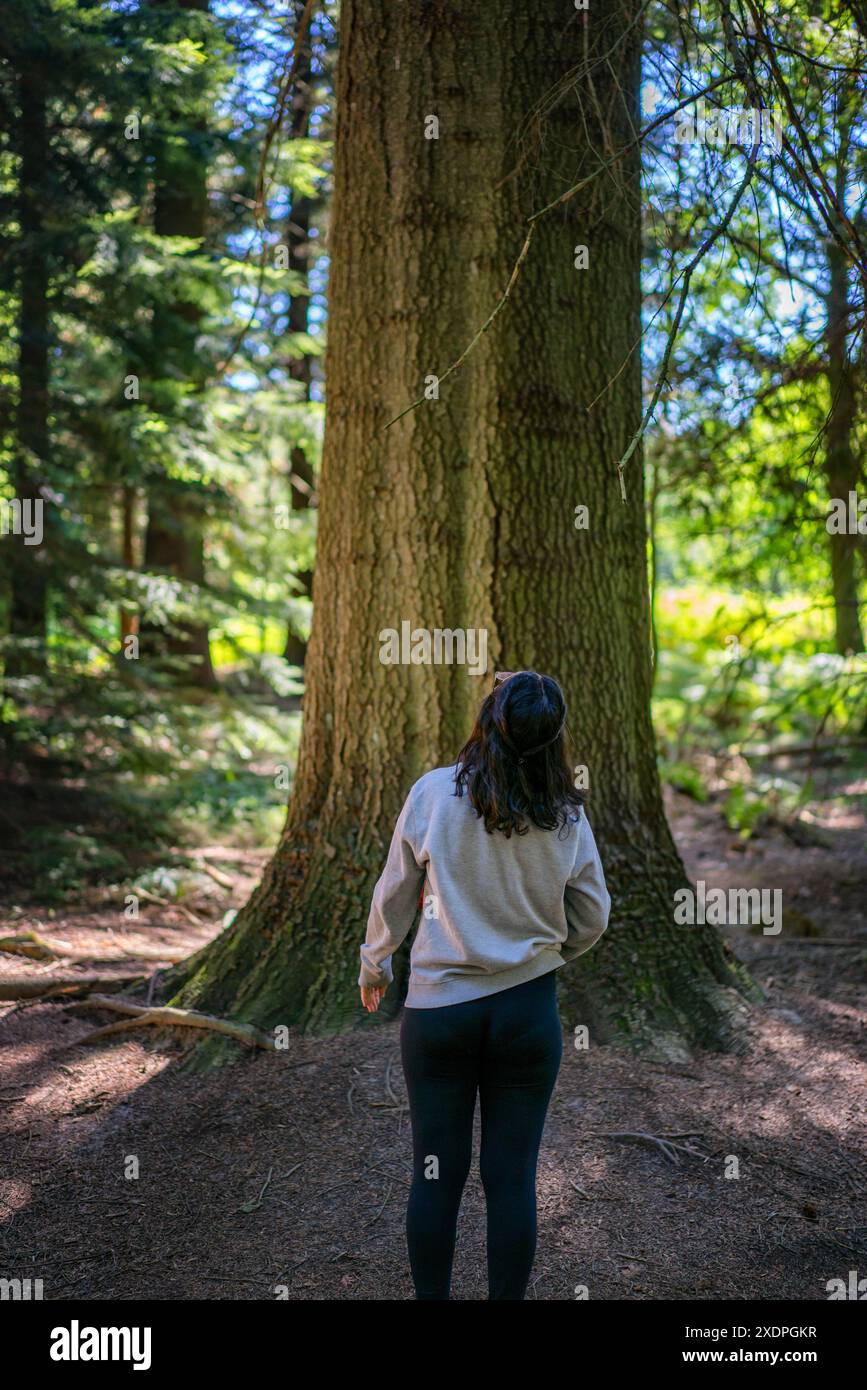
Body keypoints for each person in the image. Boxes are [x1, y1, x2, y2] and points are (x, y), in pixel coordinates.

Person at [358, 669, 610, 1300]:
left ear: (487, 722)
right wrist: (544, 954)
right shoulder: (565, 814)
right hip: (527, 1015)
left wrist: (376, 964)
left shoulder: (434, 794)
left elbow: (394, 894)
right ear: (555, 739)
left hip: (439, 1014)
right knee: (513, 1177)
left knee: (434, 1173)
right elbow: (593, 914)